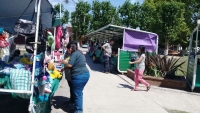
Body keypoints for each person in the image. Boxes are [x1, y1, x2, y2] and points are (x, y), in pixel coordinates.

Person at [60, 42, 90, 113]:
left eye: (68, 49)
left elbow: (70, 64)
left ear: (70, 48)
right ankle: (77, 108)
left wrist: (63, 62)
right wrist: (64, 69)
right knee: (78, 93)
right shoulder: (79, 52)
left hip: (79, 76)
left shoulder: (74, 53)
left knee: (78, 95)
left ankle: (78, 111)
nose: (67, 51)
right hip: (84, 74)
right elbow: (73, 65)